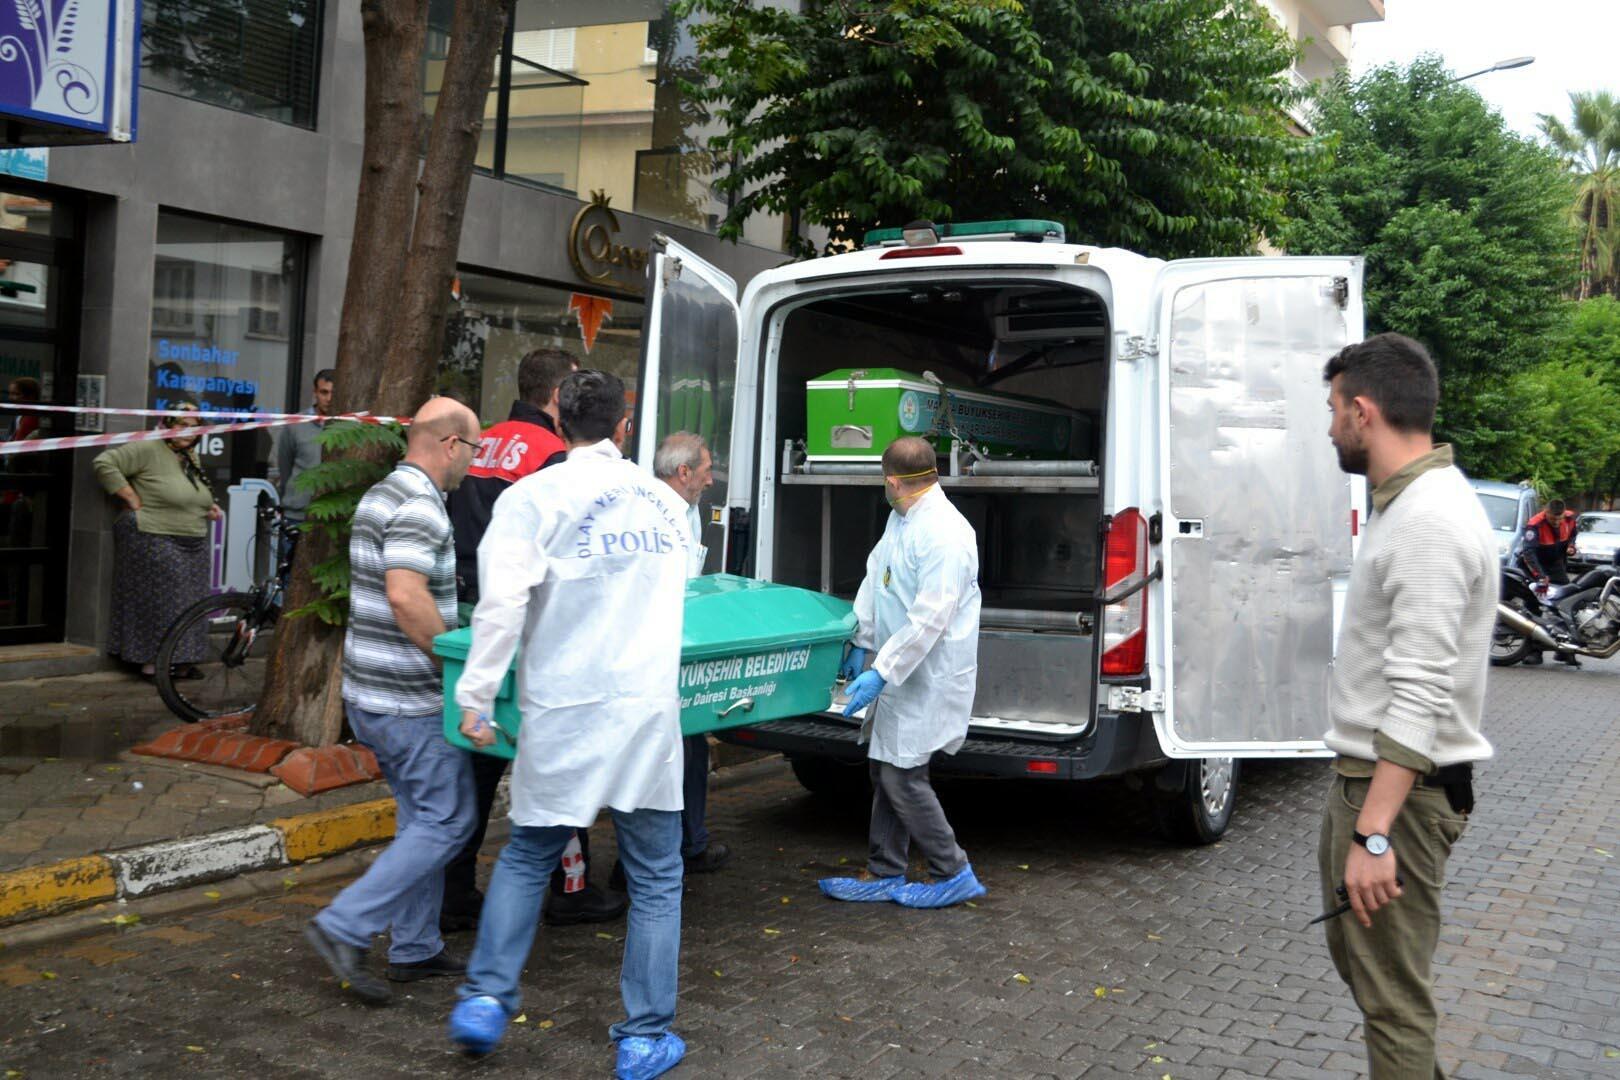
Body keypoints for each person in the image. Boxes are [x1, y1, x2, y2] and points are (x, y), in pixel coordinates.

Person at [448, 371, 691, 1080]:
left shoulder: (531, 499)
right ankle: (644, 1036)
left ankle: (486, 1000)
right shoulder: (666, 504)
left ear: (560, 422)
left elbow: (499, 609)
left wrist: (477, 695)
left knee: (528, 855)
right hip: (642, 711)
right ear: (624, 425)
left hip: (564, 710)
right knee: (655, 875)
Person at [1320, 333, 1496, 1079]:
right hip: (1385, 791)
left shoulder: (1427, 520)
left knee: (1394, 1006)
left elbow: (1422, 689)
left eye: (1332, 411)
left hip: (1399, 800)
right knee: (1377, 984)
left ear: (1365, 411)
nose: (1329, 428)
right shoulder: (1411, 505)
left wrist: (1376, 836)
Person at [303, 396, 483, 1006]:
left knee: (420, 817)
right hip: (407, 699)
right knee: (449, 819)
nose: (473, 464)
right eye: (474, 450)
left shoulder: (382, 493)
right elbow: (406, 596)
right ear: (451, 444)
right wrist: (453, 666)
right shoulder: (421, 507)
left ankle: (415, 946)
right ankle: (344, 923)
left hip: (370, 693)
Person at [440, 348, 625, 931]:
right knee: (553, 752)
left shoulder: (484, 438)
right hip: (522, 615)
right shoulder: (552, 455)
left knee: (474, 761)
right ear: (563, 392)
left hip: (467, 606)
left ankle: (453, 891)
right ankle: (570, 888)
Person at [816, 436, 986, 910]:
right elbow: (877, 577)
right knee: (884, 767)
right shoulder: (902, 519)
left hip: (928, 675)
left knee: (902, 776)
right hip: (901, 672)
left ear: (892, 481)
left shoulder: (947, 533)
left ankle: (952, 870)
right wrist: (861, 640)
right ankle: (886, 870)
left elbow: (931, 616)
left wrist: (882, 671)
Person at [92, 402, 222, 679]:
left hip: (192, 536)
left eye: (194, 425)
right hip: (154, 533)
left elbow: (184, 491)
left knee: (191, 602)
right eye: (182, 424)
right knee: (166, 601)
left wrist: (205, 507)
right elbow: (105, 463)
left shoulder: (188, 456)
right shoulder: (148, 447)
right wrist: (130, 497)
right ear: (167, 423)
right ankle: (154, 663)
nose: (189, 431)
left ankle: (182, 660)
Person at [653, 431, 731, 873]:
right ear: (684, 472)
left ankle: (690, 842)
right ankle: (666, 854)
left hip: (681, 642)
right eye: (705, 471)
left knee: (692, 746)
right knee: (677, 751)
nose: (710, 481)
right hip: (659, 651)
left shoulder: (689, 508)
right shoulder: (655, 514)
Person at [272, 368, 335, 563]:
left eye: (334, 393)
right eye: (324, 392)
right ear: (315, 393)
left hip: (333, 516)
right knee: (289, 575)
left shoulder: (348, 425)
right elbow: (285, 466)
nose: (329, 398)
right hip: (298, 515)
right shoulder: (296, 425)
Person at [1516, 499, 1581, 667]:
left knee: (1566, 602)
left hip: (1555, 565)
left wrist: (1571, 546)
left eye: (1559, 520)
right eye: (1553, 520)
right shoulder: (1535, 524)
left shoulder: (1569, 518)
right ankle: (1533, 652)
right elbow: (1529, 553)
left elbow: (1573, 533)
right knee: (1533, 607)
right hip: (1534, 566)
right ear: (1546, 513)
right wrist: (1539, 576)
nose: (1557, 523)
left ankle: (1564, 651)